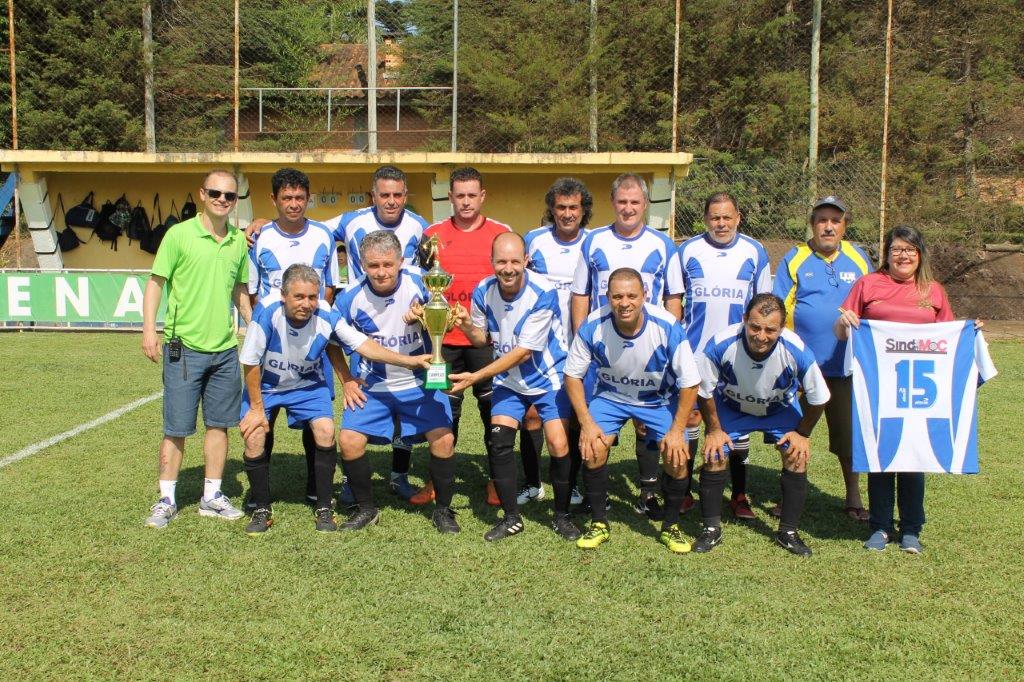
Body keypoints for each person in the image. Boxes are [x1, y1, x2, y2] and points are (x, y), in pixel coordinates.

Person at [238, 264, 428, 533]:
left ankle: (324, 507)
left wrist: (407, 361)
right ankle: (261, 508)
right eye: (299, 297)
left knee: (326, 431)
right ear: (283, 295)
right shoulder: (267, 311)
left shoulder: (326, 313)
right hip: (267, 386)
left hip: (308, 385)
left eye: (312, 297)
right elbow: (250, 362)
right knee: (255, 435)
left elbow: (364, 345)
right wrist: (257, 409)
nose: (307, 304)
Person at [835, 225, 961, 554]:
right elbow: (840, 332)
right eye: (896, 249)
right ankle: (879, 526)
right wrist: (845, 323)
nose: (903, 255)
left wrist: (969, 331)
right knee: (881, 455)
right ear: (887, 254)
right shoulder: (868, 284)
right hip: (878, 387)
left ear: (920, 256)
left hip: (919, 390)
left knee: (913, 456)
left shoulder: (933, 291)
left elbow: (948, 335)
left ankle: (911, 530)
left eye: (910, 250)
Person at [446, 232, 579, 541]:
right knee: (499, 439)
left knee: (559, 444)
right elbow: (482, 339)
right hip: (510, 380)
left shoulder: (543, 292)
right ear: (492, 262)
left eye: (515, 261)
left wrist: (475, 377)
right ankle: (511, 518)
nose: (508, 268)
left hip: (549, 378)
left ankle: (561, 516)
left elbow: (524, 351)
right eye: (501, 261)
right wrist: (466, 323)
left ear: (526, 261)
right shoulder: (483, 289)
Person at [142, 169, 253, 529]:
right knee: (176, 427)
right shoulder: (179, 235)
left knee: (220, 425)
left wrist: (254, 328)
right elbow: (156, 283)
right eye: (216, 193)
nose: (223, 199)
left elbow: (239, 291)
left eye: (230, 196)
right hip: (183, 348)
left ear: (236, 201)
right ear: (201, 194)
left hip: (224, 349)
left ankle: (211, 496)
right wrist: (148, 330)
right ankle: (166, 500)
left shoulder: (237, 241)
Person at [569, 173, 683, 520]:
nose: (628, 208)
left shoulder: (663, 244)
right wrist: (582, 341)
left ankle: (647, 491)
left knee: (646, 421)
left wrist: (668, 341)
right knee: (595, 418)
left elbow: (673, 296)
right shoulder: (594, 241)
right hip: (605, 346)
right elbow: (580, 294)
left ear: (645, 205)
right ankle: (591, 494)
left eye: (635, 202)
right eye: (622, 202)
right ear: (613, 202)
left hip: (650, 345)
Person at [564, 268, 701, 553]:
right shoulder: (593, 324)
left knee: (677, 459)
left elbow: (690, 382)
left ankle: (670, 527)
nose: (624, 303)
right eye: (617, 296)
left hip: (657, 399)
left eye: (631, 296)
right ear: (607, 297)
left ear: (644, 296)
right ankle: (599, 522)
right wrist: (587, 423)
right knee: (593, 447)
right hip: (611, 397)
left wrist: (677, 431)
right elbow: (572, 376)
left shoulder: (667, 326)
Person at [332, 232, 460, 533]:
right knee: (349, 441)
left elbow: (445, 321)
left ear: (401, 262)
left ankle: (443, 510)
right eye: (373, 265)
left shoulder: (422, 282)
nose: (381, 272)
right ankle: (366, 509)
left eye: (388, 264)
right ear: (362, 264)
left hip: (419, 381)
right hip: (374, 384)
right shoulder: (349, 297)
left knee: (444, 439)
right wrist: (347, 379)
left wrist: (424, 315)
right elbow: (331, 340)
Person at [694, 294, 831, 557]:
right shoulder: (721, 343)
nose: (761, 336)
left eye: (770, 330)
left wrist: (802, 433)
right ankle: (711, 528)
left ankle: (788, 531)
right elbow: (703, 389)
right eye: (755, 327)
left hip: (778, 410)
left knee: (797, 456)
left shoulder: (797, 349)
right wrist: (713, 429)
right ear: (744, 320)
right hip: (733, 407)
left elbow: (820, 397)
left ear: (782, 328)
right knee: (714, 454)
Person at [668, 191, 772, 520]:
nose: (721, 223)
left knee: (735, 421)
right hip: (696, 352)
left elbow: (766, 306)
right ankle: (684, 490)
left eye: (727, 217)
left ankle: (738, 494)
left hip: (739, 355)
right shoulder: (687, 251)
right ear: (705, 219)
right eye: (715, 217)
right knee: (692, 417)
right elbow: (674, 301)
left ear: (738, 217)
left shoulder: (755, 252)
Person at [411, 166, 512, 506]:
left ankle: (498, 482)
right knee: (442, 414)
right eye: (460, 195)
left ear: (482, 196)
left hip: (484, 342)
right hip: (442, 344)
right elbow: (418, 280)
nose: (466, 202)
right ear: (450, 197)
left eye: (472, 195)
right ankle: (437, 482)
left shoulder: (501, 233)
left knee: (493, 414)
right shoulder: (432, 233)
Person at [772, 195, 872, 520]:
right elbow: (778, 307)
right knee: (796, 432)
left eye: (835, 221)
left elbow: (873, 304)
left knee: (847, 437)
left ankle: (853, 497)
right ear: (813, 225)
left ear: (844, 226)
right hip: (803, 369)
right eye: (822, 220)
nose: (828, 226)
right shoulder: (795, 258)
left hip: (845, 369)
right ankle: (789, 497)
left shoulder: (859, 259)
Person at [246, 168, 339, 509]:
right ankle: (260, 497)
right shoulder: (260, 238)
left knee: (317, 418)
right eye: (286, 198)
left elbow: (329, 286)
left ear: (308, 198)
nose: (294, 204)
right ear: (274, 200)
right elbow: (254, 290)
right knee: (262, 418)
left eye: (300, 198)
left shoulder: (323, 235)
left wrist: (316, 321)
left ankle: (316, 489)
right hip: (273, 340)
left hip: (312, 339)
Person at [521, 177, 593, 508]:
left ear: (583, 210)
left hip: (581, 347)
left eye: (573, 207)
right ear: (552, 209)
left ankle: (571, 483)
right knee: (533, 415)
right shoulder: (533, 241)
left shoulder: (595, 242)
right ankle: (532, 483)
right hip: (540, 347)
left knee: (576, 417)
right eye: (560, 207)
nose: (566, 213)